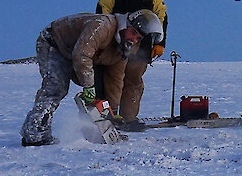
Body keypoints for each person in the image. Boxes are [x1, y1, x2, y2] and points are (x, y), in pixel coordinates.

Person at [20, 10, 164, 146]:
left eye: (138, 38)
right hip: (54, 43)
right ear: (126, 25)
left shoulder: (125, 48)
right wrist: (88, 86)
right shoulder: (103, 26)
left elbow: (116, 78)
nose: (133, 39)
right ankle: (34, 133)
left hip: (74, 51)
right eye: (133, 33)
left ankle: (90, 130)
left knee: (99, 85)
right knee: (56, 87)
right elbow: (81, 55)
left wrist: (111, 111)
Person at [94, 0, 168, 121]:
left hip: (142, 48)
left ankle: (128, 119)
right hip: (115, 45)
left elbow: (162, 17)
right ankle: (107, 117)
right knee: (111, 81)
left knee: (133, 82)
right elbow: (102, 13)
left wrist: (160, 43)